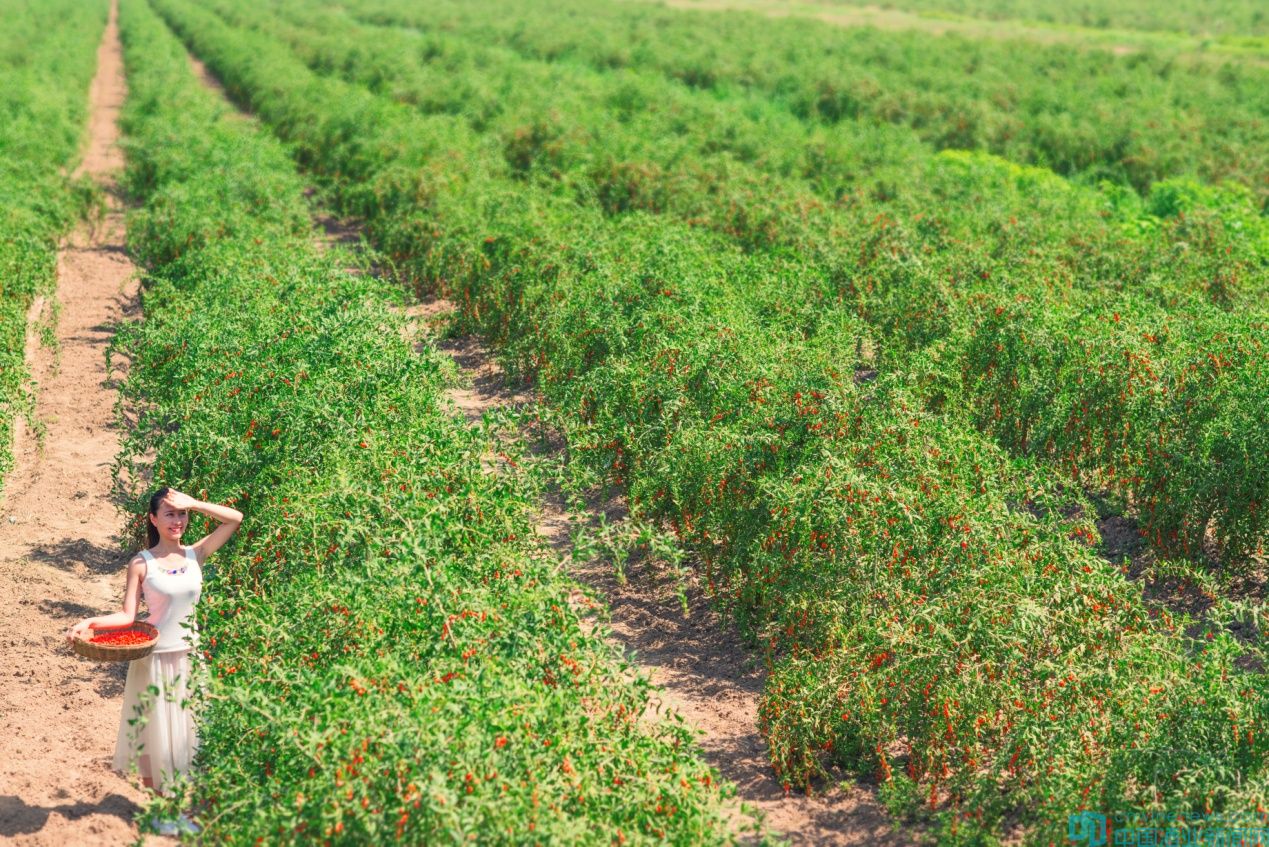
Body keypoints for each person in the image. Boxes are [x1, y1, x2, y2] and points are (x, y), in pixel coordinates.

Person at [66, 487, 242, 835]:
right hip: (156, 658)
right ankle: (162, 811)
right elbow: (127, 616)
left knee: (188, 736)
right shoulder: (142, 563)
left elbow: (234, 519)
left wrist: (193, 502)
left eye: (181, 515)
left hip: (190, 656)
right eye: (169, 514)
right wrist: (91, 623)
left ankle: (178, 808)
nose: (177, 521)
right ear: (153, 519)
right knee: (156, 737)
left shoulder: (196, 554)